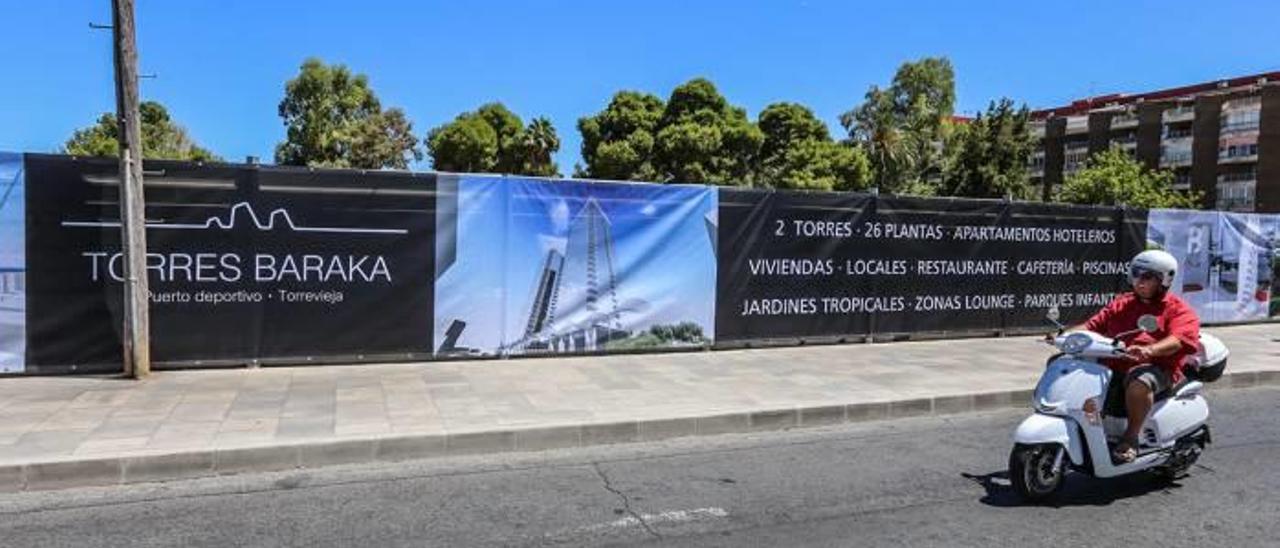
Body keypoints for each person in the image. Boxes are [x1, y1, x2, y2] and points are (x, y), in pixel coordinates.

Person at [1062, 249, 1201, 463]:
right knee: (1064, 365)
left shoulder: (1178, 310)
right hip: (1114, 364)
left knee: (1139, 382)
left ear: (1164, 280)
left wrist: (1150, 350)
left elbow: (1178, 340)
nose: (1140, 281)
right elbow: (1092, 326)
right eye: (1136, 273)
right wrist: (1066, 336)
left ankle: (1131, 437)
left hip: (1157, 368)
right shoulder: (1122, 303)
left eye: (1148, 277)